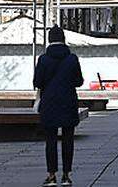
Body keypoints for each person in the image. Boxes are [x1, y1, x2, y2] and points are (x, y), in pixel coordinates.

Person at [34, 26, 84, 187]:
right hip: (68, 102)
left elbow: (37, 82)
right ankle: (66, 175)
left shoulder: (43, 59)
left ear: (49, 40)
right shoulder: (72, 59)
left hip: (49, 104)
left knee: (50, 140)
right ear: (63, 39)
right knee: (68, 139)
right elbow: (79, 81)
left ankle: (51, 175)